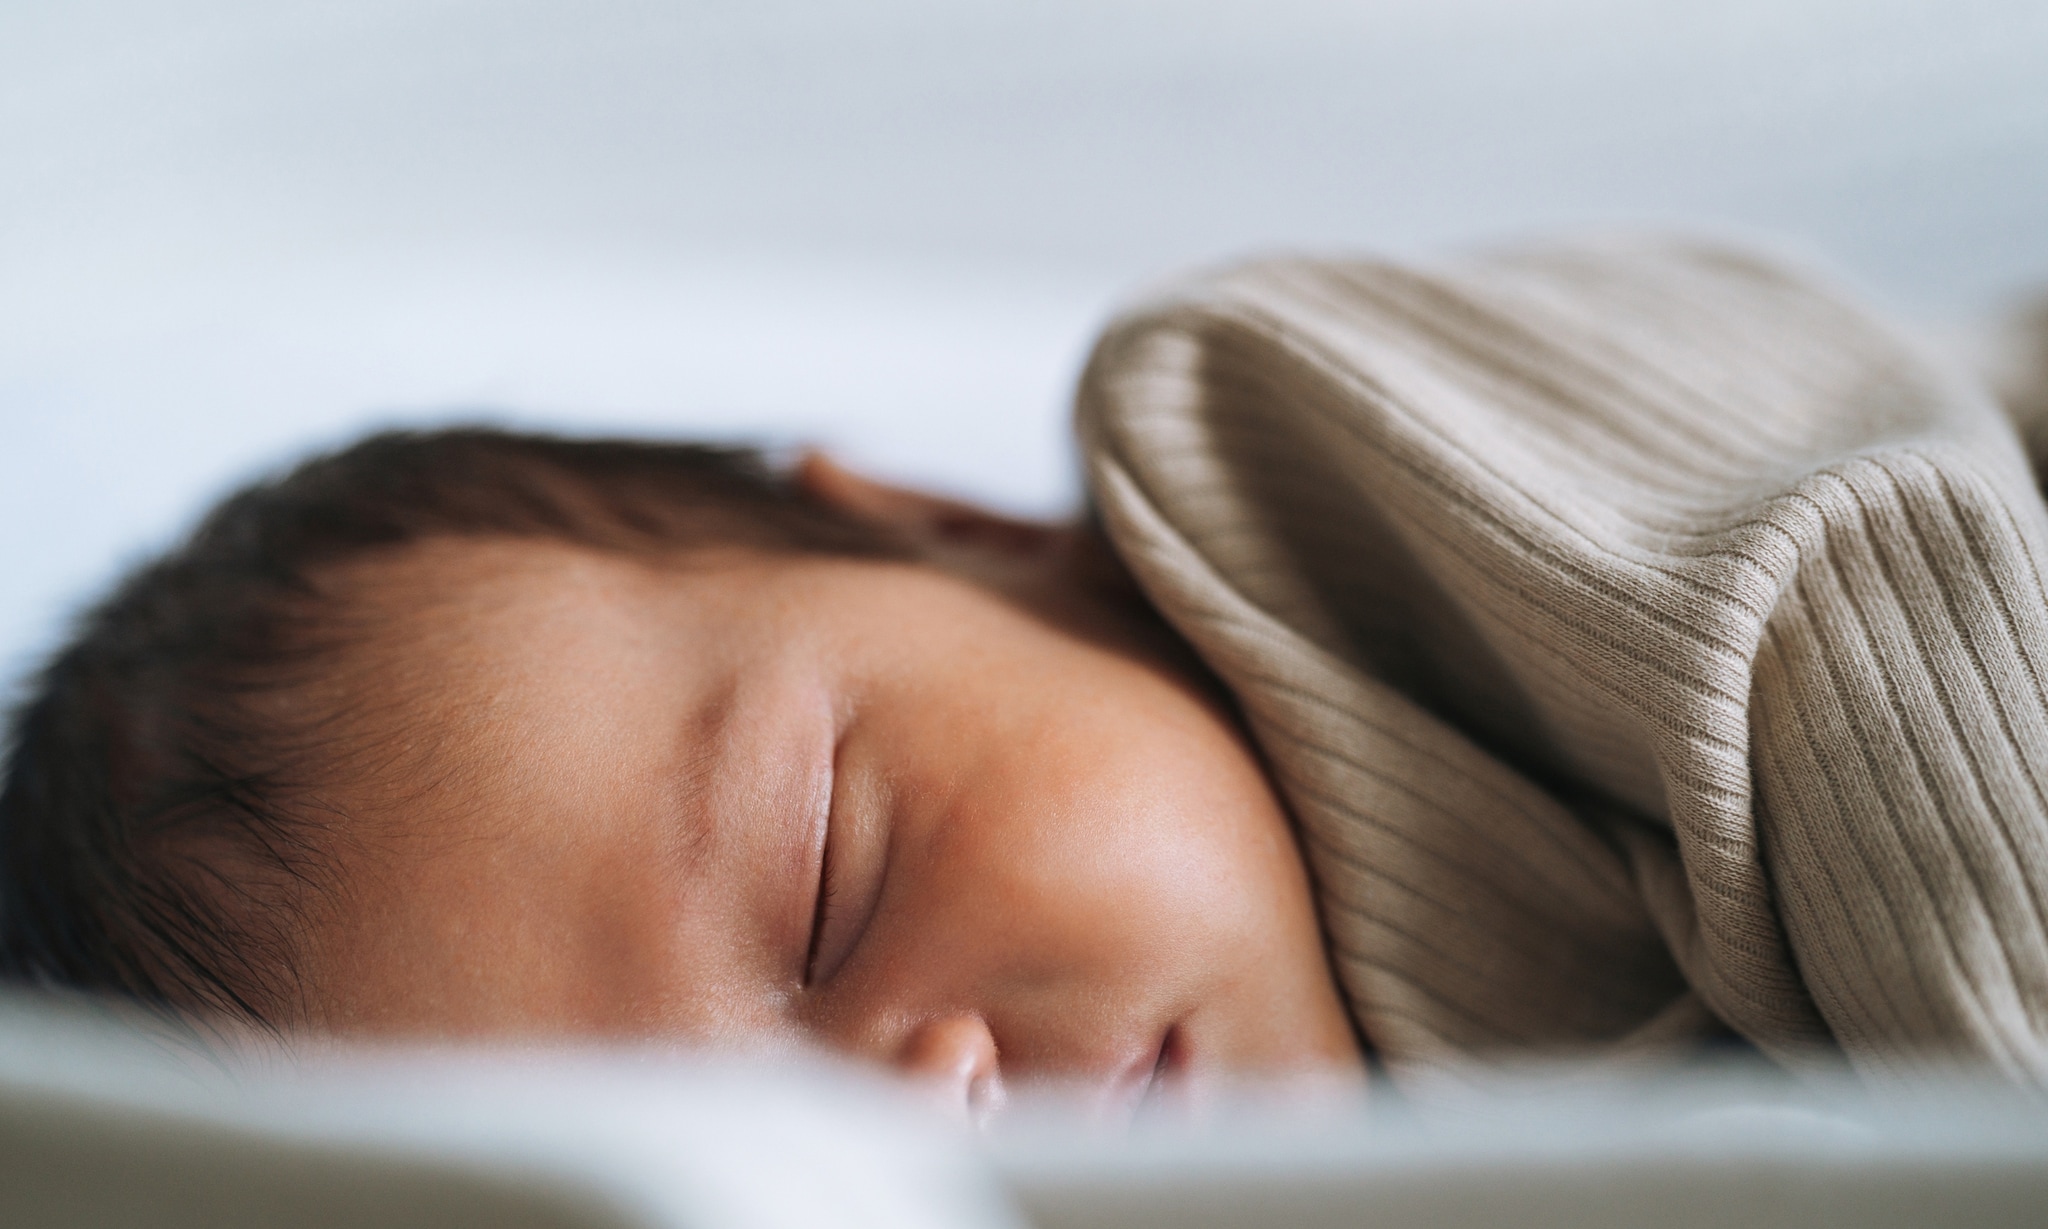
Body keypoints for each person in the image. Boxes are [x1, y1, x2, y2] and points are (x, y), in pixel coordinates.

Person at [6, 236, 2048, 1118]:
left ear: (946, 529)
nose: (928, 1099)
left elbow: (1878, 600)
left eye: (829, 888)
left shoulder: (1285, 444)